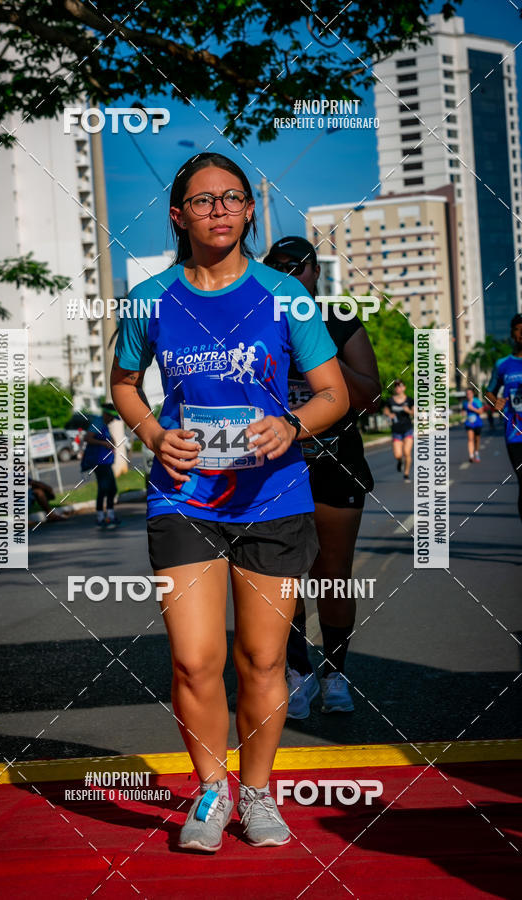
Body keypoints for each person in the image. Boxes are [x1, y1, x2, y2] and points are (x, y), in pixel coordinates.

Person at [111, 152, 349, 852]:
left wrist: (293, 424)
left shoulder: (285, 295)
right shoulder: (151, 298)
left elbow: (334, 391)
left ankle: (258, 792)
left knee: (263, 661)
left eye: (232, 197)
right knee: (192, 660)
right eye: (203, 199)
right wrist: (154, 432)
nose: (218, 208)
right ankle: (211, 792)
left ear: (249, 211)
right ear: (179, 215)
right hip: (184, 498)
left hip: (273, 498)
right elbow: (124, 383)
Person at [263, 237, 380, 718]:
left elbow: (370, 397)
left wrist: (323, 350)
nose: (288, 274)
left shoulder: (339, 318)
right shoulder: (260, 321)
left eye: (296, 266)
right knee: (282, 581)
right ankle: (297, 674)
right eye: (276, 267)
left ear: (315, 272)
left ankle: (335, 675)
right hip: (277, 468)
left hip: (336, 466)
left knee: (332, 578)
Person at [486, 312, 522, 524]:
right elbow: (489, 391)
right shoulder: (502, 364)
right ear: (512, 334)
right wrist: (494, 401)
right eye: (519, 329)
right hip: (515, 434)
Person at [80, 402, 119, 529]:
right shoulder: (97, 422)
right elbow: (87, 438)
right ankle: (100, 517)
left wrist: (112, 441)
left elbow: (109, 438)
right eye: (112, 417)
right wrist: (103, 443)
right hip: (98, 461)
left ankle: (110, 515)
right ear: (106, 414)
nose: (113, 420)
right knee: (104, 488)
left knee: (112, 488)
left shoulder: (105, 425)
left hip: (106, 461)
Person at [384, 380, 415, 482]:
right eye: (396, 386)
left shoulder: (410, 400)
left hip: (407, 429)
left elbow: (415, 413)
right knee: (397, 455)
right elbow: (386, 410)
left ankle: (406, 474)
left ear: (404, 388)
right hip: (396, 430)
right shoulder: (390, 400)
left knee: (407, 452)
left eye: (400, 386)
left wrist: (409, 411)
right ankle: (399, 461)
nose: (398, 388)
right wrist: (389, 414)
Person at [462, 388, 484, 463]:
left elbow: (481, 412)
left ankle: (476, 452)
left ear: (472, 394)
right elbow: (463, 411)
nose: (468, 395)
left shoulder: (477, 401)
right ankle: (471, 455)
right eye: (467, 394)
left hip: (478, 423)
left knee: (477, 439)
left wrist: (472, 408)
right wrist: (463, 413)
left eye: (470, 393)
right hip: (469, 423)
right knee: (470, 439)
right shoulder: (464, 403)